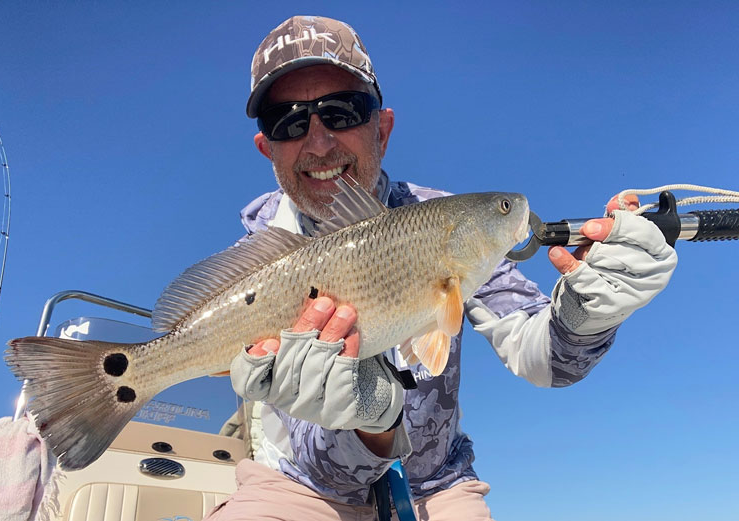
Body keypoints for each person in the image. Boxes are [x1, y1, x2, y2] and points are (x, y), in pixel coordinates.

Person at [206, 15, 677, 521]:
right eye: (289, 122)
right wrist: (368, 418)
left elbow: (545, 358)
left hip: (436, 488)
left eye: (342, 111)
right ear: (267, 148)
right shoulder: (254, 261)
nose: (319, 143)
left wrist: (587, 314)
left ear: (382, 129)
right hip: (296, 487)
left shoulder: (441, 221)